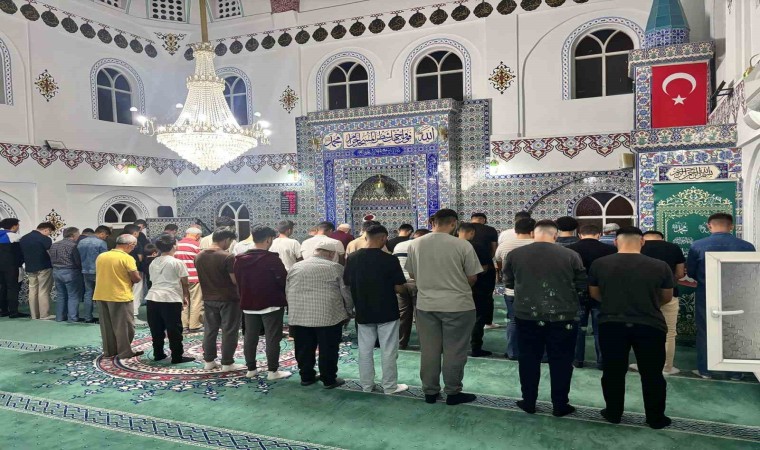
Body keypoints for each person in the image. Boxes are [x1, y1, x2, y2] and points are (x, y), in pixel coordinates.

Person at [589, 226, 673, 429]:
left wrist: (613, 304)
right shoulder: (660, 266)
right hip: (650, 325)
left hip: (611, 324)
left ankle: (613, 413)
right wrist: (647, 305)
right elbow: (666, 296)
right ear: (642, 242)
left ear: (615, 242)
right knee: (652, 374)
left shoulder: (600, 264)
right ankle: (655, 418)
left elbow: (594, 293)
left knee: (613, 372)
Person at [504, 220, 586, 417]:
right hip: (563, 317)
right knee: (562, 360)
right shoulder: (571, 255)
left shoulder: (515, 255)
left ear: (533, 234)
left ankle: (529, 402)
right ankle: (560, 405)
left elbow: (509, 283)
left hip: (527, 316)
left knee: (528, 359)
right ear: (555, 235)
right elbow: (581, 285)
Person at [406, 209, 483, 406]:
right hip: (458, 306)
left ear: (434, 222)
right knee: (454, 350)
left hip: (426, 306)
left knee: (429, 350)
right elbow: (472, 277)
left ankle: (430, 392)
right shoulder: (462, 245)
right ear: (454, 223)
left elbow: (412, 275)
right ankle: (453, 392)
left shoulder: (415, 244)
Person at [686, 213, 755, 380]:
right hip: (738, 296)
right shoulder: (746, 246)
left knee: (705, 332)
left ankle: (705, 370)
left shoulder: (697, 246)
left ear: (709, 226)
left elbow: (692, 272)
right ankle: (735, 372)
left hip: (706, 295)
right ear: (731, 226)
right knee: (736, 330)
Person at [344, 225, 409, 394]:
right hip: (387, 310)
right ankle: (389, 386)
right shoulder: (389, 260)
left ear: (366, 237)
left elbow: (347, 283)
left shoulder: (352, 258)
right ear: (383, 238)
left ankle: (366, 385)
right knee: (388, 350)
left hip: (363, 309)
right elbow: (399, 288)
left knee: (365, 350)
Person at [287, 242, 353, 389]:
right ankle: (328, 379)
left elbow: (288, 290)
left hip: (300, 314)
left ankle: (306, 377)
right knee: (328, 348)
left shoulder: (296, 267)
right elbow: (346, 292)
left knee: (303, 347)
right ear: (331, 254)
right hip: (328, 316)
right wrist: (349, 310)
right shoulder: (335, 267)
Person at [234, 225, 292, 380]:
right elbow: (283, 280)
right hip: (271, 303)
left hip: (248, 303)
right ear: (268, 239)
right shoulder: (272, 259)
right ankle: (273, 371)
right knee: (272, 338)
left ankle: (251, 369)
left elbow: (237, 281)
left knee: (250, 337)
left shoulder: (239, 260)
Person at [567, 224, 617, 369]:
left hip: (577, 293)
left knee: (578, 328)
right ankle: (602, 361)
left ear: (579, 235)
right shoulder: (611, 250)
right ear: (599, 234)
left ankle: (577, 360)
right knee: (601, 329)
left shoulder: (569, 250)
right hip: (602, 293)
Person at [637, 230, 685, 376]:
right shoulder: (673, 248)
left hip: (642, 296)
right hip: (669, 295)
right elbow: (680, 273)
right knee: (669, 333)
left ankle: (643, 364)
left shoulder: (638, 248)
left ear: (643, 239)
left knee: (642, 331)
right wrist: (668, 283)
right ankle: (667, 367)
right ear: (662, 238)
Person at [195, 228, 244, 372]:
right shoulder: (227, 257)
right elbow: (234, 280)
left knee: (210, 330)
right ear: (226, 240)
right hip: (228, 299)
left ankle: (209, 361)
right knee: (229, 331)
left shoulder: (199, 256)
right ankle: (227, 363)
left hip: (208, 298)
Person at [145, 235, 194, 364]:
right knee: (174, 329)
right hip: (170, 298)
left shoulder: (153, 262)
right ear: (173, 246)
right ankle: (177, 356)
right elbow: (185, 282)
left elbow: (152, 280)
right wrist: (185, 296)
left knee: (156, 328)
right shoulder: (177, 262)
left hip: (152, 297)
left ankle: (158, 353)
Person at [93, 234, 143, 359]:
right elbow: (136, 278)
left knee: (107, 325)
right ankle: (125, 352)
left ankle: (109, 351)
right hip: (119, 295)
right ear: (130, 245)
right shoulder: (127, 258)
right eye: (134, 246)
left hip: (101, 294)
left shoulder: (102, 256)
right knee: (124, 326)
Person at [495, 218, 536, 360]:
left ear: (515, 230)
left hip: (511, 290)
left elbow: (499, 264)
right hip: (534, 291)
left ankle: (513, 352)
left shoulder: (505, 246)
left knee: (514, 321)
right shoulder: (539, 245)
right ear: (533, 231)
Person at [393, 229, 430, 349]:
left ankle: (401, 343)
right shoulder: (423, 247)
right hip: (417, 283)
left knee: (403, 314)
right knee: (420, 315)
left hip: (401, 284)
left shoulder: (399, 245)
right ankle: (425, 344)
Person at [468, 213, 500, 352]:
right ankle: (476, 345)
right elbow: (494, 250)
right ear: (484, 220)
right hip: (483, 273)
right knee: (482, 306)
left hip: (461, 278)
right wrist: (485, 259)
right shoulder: (490, 230)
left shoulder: (457, 241)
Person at [19, 222, 56, 320]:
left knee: (32, 290)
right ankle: (44, 315)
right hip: (44, 267)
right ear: (46, 229)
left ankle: (34, 315)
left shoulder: (24, 238)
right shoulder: (45, 239)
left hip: (30, 267)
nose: (49, 234)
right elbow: (50, 253)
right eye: (49, 232)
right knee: (43, 290)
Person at [49, 227, 84, 322]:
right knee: (73, 295)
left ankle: (59, 317)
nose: (78, 236)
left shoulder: (54, 245)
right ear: (73, 235)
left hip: (56, 271)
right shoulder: (73, 245)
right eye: (78, 234)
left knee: (61, 295)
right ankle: (72, 318)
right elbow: (77, 261)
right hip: (70, 272)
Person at [78, 225, 111, 324]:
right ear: (102, 233)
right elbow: (105, 258)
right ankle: (102, 318)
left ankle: (88, 317)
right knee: (101, 294)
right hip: (99, 271)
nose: (105, 238)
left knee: (88, 294)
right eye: (106, 236)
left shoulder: (81, 242)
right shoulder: (101, 243)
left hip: (85, 270)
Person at [176, 227, 203, 332]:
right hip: (194, 277)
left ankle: (184, 325)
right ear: (197, 236)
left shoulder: (176, 245)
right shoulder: (197, 245)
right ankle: (194, 325)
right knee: (196, 301)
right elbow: (201, 261)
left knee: (183, 300)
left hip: (179, 278)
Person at [121, 224, 146, 326]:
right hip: (135, 270)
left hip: (121, 271)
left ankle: (124, 316)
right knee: (136, 293)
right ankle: (133, 316)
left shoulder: (119, 241)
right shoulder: (136, 243)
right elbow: (140, 258)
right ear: (135, 233)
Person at [0, 218, 25, 318]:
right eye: (18, 225)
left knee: (2, 288)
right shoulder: (14, 236)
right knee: (13, 288)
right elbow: (20, 253)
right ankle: (13, 312)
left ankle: (3, 310)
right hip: (12, 267)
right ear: (14, 226)